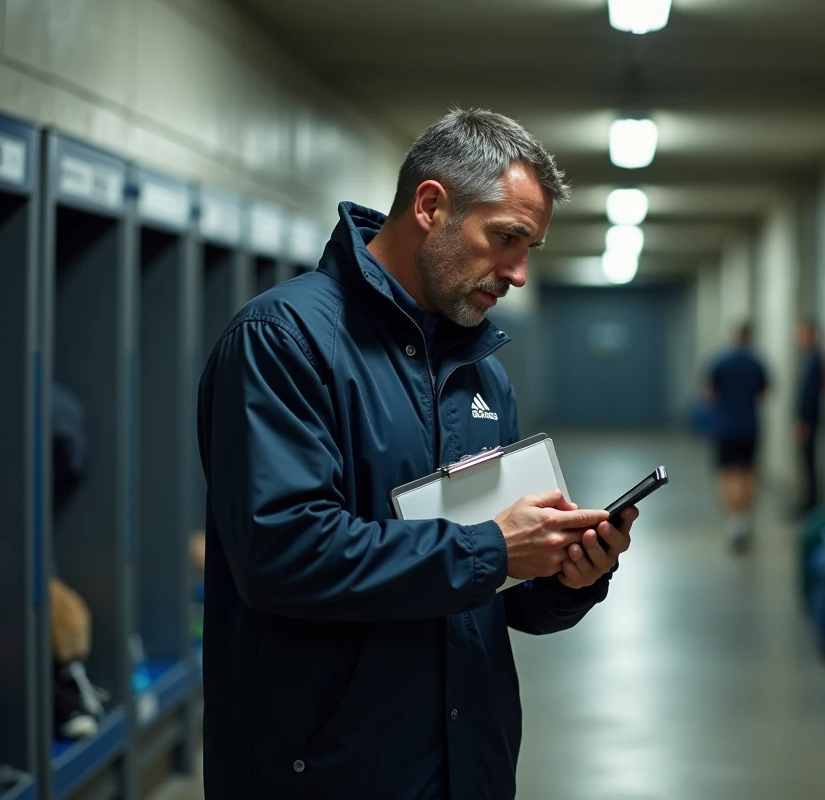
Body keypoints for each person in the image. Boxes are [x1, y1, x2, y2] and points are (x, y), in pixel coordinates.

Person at [196, 109, 638, 799]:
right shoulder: (284, 341)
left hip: (466, 769)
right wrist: (493, 549)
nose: (518, 273)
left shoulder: (480, 372)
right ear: (431, 206)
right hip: (331, 774)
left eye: (531, 249)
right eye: (507, 239)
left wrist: (563, 577)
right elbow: (283, 554)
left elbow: (489, 597)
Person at [704, 322, 769, 551]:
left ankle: (734, 519)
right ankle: (744, 518)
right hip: (750, 428)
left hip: (726, 427)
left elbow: (710, 393)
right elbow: (764, 393)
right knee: (748, 472)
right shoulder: (756, 363)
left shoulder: (721, 362)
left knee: (727, 473)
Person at [795, 317, 824, 516]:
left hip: (810, 421)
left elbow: (810, 394)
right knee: (805, 462)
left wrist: (804, 420)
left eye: (801, 333)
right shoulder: (807, 358)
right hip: (806, 420)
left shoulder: (814, 360)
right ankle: (807, 500)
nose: (798, 337)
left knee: (809, 462)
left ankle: (811, 503)